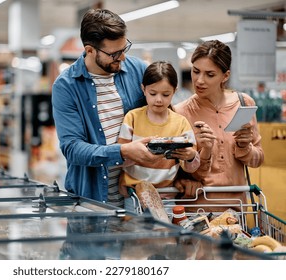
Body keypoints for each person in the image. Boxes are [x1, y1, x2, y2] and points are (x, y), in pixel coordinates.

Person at [52, 9, 158, 208]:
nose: (123, 58)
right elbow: (72, 148)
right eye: (114, 53)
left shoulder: (138, 70)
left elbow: (163, 114)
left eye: (124, 49)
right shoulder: (66, 87)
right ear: (90, 50)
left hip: (138, 195)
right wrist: (123, 151)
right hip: (92, 200)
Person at [173, 40, 264, 211]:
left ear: (225, 76)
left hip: (236, 212)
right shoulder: (180, 113)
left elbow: (258, 159)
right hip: (196, 211)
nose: (199, 80)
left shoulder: (244, 104)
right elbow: (174, 170)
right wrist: (182, 180)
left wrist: (245, 147)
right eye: (196, 71)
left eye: (210, 74)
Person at [117, 61, 200, 212]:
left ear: (174, 91)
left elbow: (191, 166)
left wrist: (190, 156)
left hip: (166, 197)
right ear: (143, 89)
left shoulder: (180, 122)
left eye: (166, 94)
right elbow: (120, 157)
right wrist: (136, 154)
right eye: (153, 93)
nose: (159, 99)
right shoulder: (133, 118)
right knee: (134, 234)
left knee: (164, 235)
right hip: (134, 196)